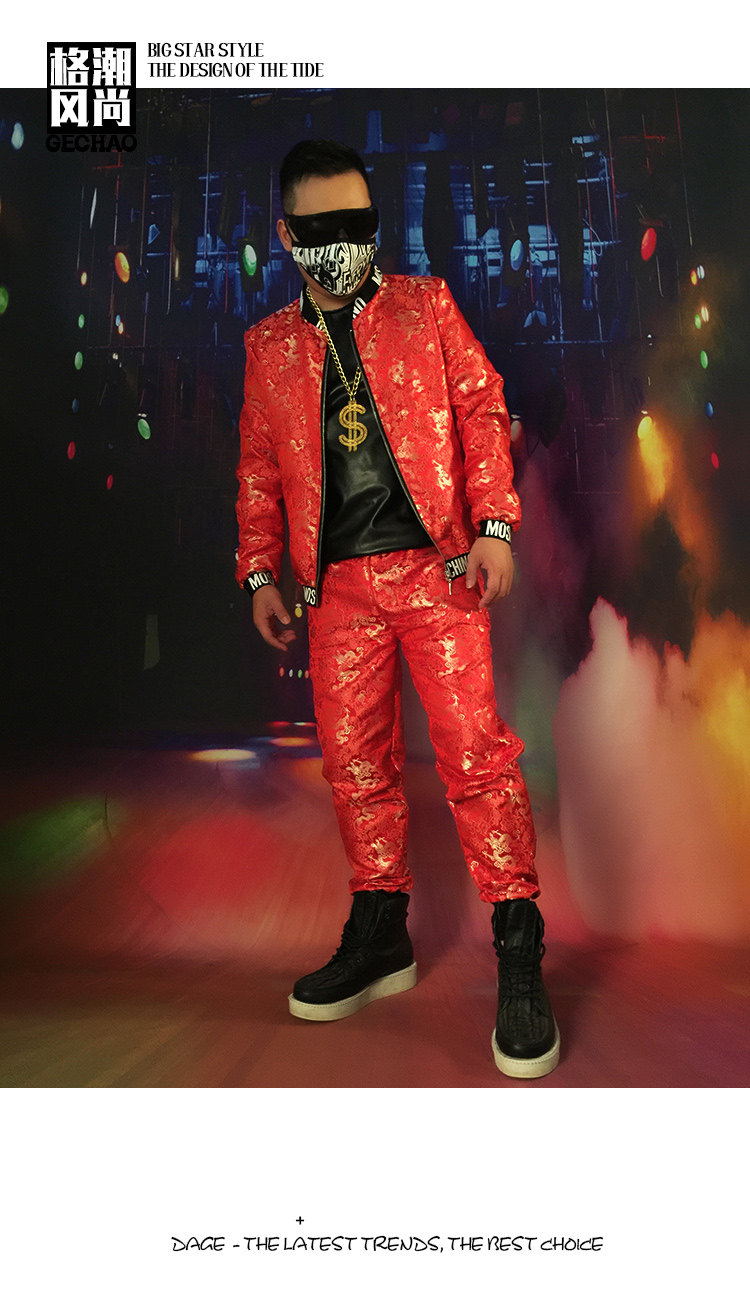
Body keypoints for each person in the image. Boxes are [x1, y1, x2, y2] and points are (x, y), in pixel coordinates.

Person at [235, 139, 559, 1079]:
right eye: (324, 228)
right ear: (287, 235)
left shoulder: (426, 305)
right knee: (354, 768)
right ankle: (382, 933)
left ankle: (518, 946)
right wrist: (259, 573)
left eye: (361, 224)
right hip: (337, 589)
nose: (345, 243)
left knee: (476, 757)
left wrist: (494, 523)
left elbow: (483, 407)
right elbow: (257, 467)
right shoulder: (268, 348)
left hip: (438, 571)